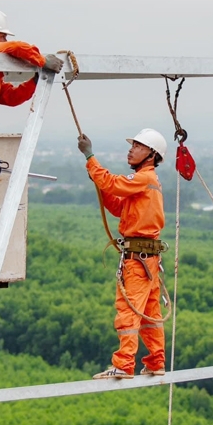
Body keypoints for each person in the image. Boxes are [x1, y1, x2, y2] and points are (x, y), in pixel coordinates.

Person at [78, 128, 168, 380]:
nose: (131, 149)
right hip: (146, 258)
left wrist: (90, 158)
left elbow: (112, 182)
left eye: (138, 146)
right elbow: (119, 206)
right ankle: (156, 361)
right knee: (150, 313)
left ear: (151, 155)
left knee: (129, 310)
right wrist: (100, 182)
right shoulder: (145, 181)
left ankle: (124, 364)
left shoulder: (144, 178)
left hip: (139, 260)